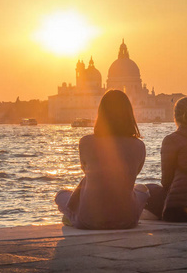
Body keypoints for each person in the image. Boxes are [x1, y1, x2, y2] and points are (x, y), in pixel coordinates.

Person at [54, 90, 149, 229]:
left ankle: (71, 215)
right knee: (143, 190)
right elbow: (134, 173)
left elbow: (85, 169)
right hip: (126, 221)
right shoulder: (139, 145)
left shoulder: (86, 142)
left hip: (88, 220)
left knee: (61, 195)